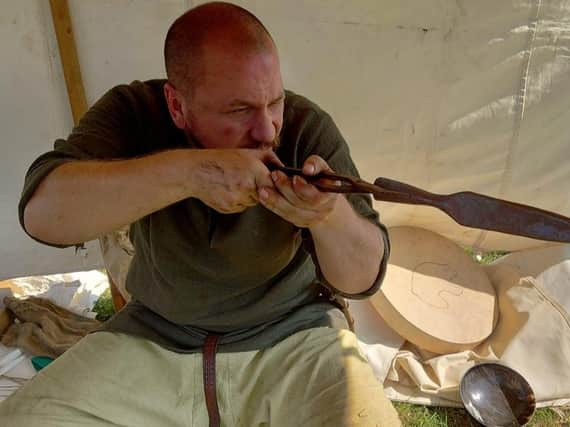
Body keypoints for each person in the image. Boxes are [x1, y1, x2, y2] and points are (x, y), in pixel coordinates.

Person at [0, 2, 400, 426]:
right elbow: (43, 215)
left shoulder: (303, 127)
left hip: (294, 337)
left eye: (274, 102)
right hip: (157, 336)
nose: (267, 129)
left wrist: (327, 215)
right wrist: (191, 173)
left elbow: (362, 279)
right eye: (239, 110)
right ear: (177, 105)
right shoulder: (134, 112)